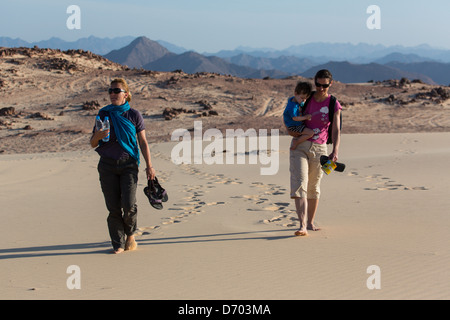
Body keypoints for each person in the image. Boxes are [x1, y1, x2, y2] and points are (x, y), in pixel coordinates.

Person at [90, 78, 156, 254]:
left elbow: (143, 142)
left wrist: (149, 166)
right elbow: (93, 143)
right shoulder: (103, 114)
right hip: (107, 165)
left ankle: (130, 235)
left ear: (125, 95)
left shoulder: (134, 115)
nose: (112, 94)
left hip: (129, 164)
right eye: (110, 91)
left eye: (116, 91)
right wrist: (98, 135)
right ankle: (117, 244)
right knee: (113, 207)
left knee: (128, 204)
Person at [288, 70, 342, 236]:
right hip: (300, 146)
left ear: (330, 84)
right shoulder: (307, 98)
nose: (320, 88)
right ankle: (302, 225)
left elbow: (336, 129)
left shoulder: (333, 103)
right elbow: (291, 111)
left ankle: (310, 222)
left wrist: (335, 150)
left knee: (314, 186)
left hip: (320, 149)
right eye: (318, 84)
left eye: (324, 85)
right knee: (300, 182)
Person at [283, 81, 314, 150]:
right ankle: (296, 142)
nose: (304, 101)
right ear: (295, 94)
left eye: (305, 98)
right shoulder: (292, 106)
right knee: (310, 133)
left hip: (296, 124)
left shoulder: (294, 100)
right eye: (302, 98)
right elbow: (295, 118)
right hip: (294, 126)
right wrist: (305, 117)